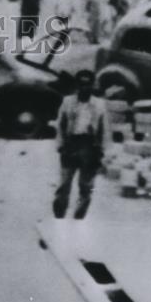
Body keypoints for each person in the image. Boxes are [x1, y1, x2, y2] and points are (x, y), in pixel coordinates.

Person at [53, 69, 107, 220]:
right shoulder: (68, 102)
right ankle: (59, 216)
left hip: (89, 147)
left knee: (86, 187)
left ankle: (78, 219)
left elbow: (104, 129)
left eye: (88, 84)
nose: (85, 88)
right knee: (64, 185)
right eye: (82, 84)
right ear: (77, 85)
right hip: (71, 145)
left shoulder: (99, 104)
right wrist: (61, 145)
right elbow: (61, 124)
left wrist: (101, 151)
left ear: (92, 85)